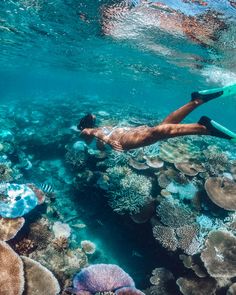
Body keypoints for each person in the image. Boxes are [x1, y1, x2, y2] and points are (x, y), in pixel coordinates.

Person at [77, 85, 236, 152]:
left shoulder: (85, 132)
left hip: (126, 140)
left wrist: (108, 141)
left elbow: (90, 132)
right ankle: (197, 100)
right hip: (130, 133)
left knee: (156, 133)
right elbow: (101, 133)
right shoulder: (102, 127)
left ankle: (202, 128)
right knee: (161, 129)